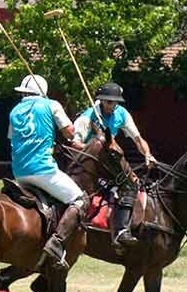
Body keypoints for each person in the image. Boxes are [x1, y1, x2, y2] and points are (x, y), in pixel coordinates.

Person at [8, 74, 85, 269]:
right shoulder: (51, 104)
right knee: (80, 199)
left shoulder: (15, 110)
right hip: (43, 169)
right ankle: (57, 244)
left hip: (19, 172)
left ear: (25, 93)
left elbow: (12, 138)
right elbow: (69, 132)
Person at [71, 81, 154, 252]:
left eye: (115, 102)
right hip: (89, 165)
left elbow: (138, 139)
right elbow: (75, 144)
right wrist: (97, 147)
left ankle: (121, 230)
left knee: (131, 184)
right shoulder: (87, 117)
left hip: (109, 164)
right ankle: (116, 231)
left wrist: (147, 154)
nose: (112, 105)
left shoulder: (121, 114)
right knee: (125, 185)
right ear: (101, 100)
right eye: (109, 102)